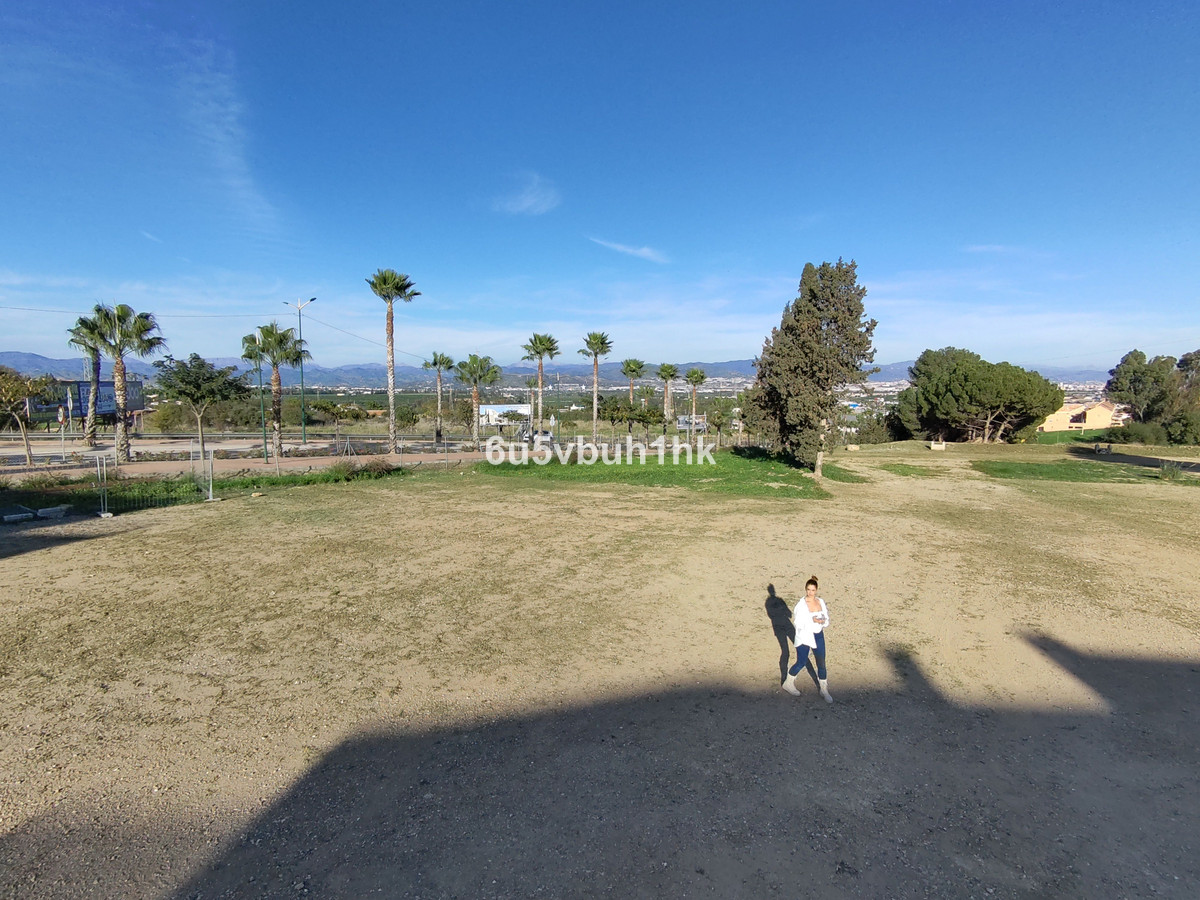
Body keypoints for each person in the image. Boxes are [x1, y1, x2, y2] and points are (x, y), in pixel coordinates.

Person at [783, 576, 833, 703]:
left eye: (813, 590)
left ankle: (824, 689)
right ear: (806, 590)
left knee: (821, 662)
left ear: (816, 590)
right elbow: (799, 623)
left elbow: (826, 618)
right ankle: (788, 682)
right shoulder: (801, 605)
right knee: (802, 661)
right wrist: (813, 620)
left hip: (818, 635)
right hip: (805, 636)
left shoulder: (820, 602)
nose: (810, 592)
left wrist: (822, 621)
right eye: (808, 590)